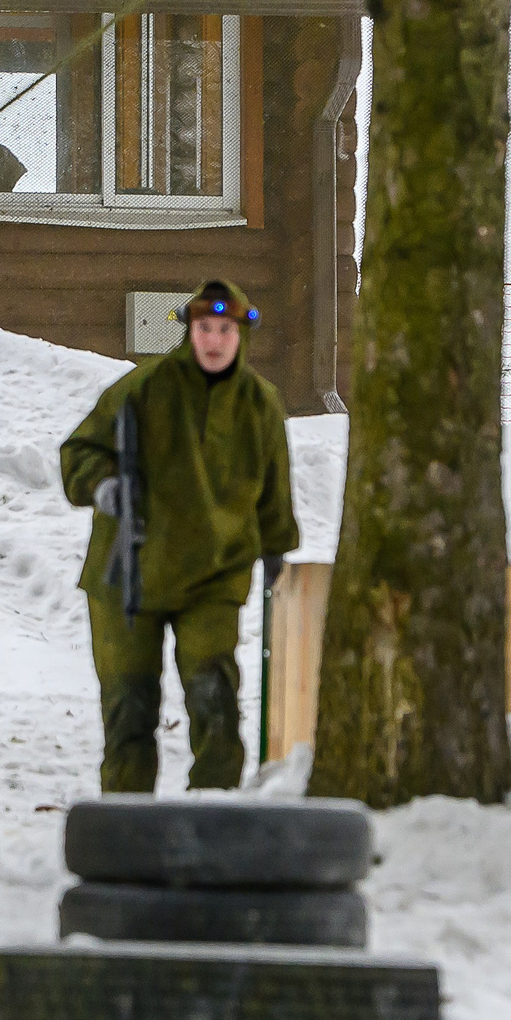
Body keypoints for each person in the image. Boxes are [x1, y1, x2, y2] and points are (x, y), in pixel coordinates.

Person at [60, 280, 299, 794]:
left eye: (225, 329)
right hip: (129, 571)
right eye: (204, 328)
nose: (213, 341)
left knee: (214, 693)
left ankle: (212, 813)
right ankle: (127, 820)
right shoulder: (142, 388)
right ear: (189, 332)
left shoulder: (260, 404)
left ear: (242, 335)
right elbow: (80, 450)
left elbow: (274, 490)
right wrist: (103, 487)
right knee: (129, 705)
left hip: (214, 575)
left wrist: (277, 549)